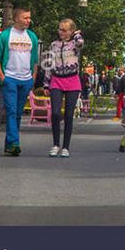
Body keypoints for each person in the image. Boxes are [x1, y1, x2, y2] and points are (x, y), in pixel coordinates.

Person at [0, 7, 39, 157]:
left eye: (29, 18)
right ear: (16, 18)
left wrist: (33, 78)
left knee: (18, 113)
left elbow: (35, 61)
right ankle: (14, 142)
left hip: (26, 79)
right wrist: (2, 77)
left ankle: (9, 145)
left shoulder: (32, 37)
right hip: (10, 79)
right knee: (11, 111)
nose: (28, 20)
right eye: (25, 18)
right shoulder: (5, 36)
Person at [42, 18, 84, 158]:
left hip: (72, 81)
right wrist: (46, 83)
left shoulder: (74, 45)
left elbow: (80, 43)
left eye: (64, 30)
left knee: (68, 115)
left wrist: (77, 34)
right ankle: (55, 144)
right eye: (60, 29)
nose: (61, 32)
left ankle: (66, 146)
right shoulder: (53, 45)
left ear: (71, 31)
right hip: (56, 80)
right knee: (54, 113)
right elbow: (48, 64)